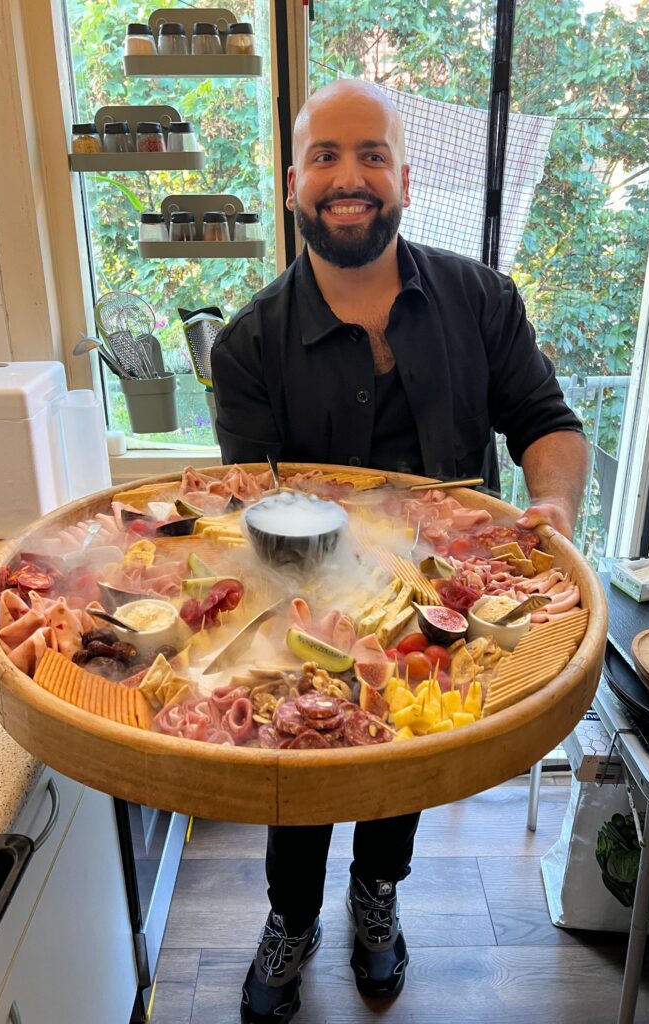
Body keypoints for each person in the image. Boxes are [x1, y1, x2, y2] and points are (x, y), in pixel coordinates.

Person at [211, 79, 588, 1024]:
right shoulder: (250, 343)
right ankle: (290, 917)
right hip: (304, 599)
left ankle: (378, 896)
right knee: (297, 763)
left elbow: (548, 423)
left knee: (411, 755)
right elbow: (255, 510)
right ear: (294, 182)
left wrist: (550, 500)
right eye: (327, 157)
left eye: (372, 154)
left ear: (407, 180)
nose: (351, 177)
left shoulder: (481, 300)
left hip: (447, 595)